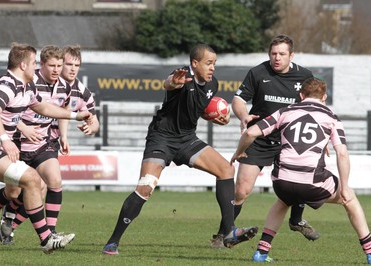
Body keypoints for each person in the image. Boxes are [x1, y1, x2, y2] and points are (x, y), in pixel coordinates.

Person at [102, 44, 258, 255]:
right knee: (145, 187)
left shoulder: (213, 84)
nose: (212, 68)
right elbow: (170, 84)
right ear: (195, 63)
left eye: (214, 64)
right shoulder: (182, 77)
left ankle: (229, 231)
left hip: (186, 139)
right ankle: (112, 242)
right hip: (162, 139)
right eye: (208, 63)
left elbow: (196, 107)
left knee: (226, 170)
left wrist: (212, 116)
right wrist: (172, 82)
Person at [230, 77, 371, 264]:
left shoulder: (285, 111)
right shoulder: (331, 118)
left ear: (301, 95)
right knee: (351, 200)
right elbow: (342, 154)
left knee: (283, 201)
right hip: (313, 183)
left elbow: (250, 133)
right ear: (324, 96)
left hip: (282, 181)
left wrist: (238, 153)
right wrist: (345, 186)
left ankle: (261, 252)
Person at [0, 43, 92, 253]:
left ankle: (33, 231)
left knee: (8, 190)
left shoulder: (26, 86)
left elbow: (42, 107)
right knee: (32, 180)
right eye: (33, 63)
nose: (35, 68)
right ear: (23, 65)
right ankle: (47, 239)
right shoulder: (6, 85)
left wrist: (75, 115)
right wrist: (6, 139)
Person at [212, 34, 318, 248]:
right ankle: (224, 234)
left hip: (290, 140)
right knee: (241, 190)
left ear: (292, 55)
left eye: (282, 54)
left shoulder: (305, 77)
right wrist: (243, 116)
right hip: (258, 138)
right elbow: (239, 100)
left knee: (299, 184)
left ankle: (296, 221)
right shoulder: (258, 72)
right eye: (273, 54)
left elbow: (313, 107)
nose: (276, 58)